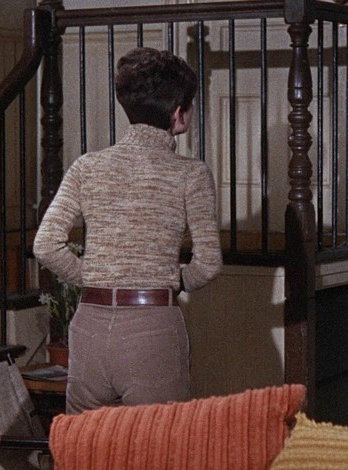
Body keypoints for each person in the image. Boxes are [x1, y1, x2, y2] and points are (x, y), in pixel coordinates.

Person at [33, 47, 222, 413]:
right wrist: (173, 281)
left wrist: (94, 278)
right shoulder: (190, 174)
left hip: (89, 325)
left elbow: (45, 245)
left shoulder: (87, 167)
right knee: (159, 442)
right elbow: (208, 264)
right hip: (152, 329)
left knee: (86, 443)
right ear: (178, 114)